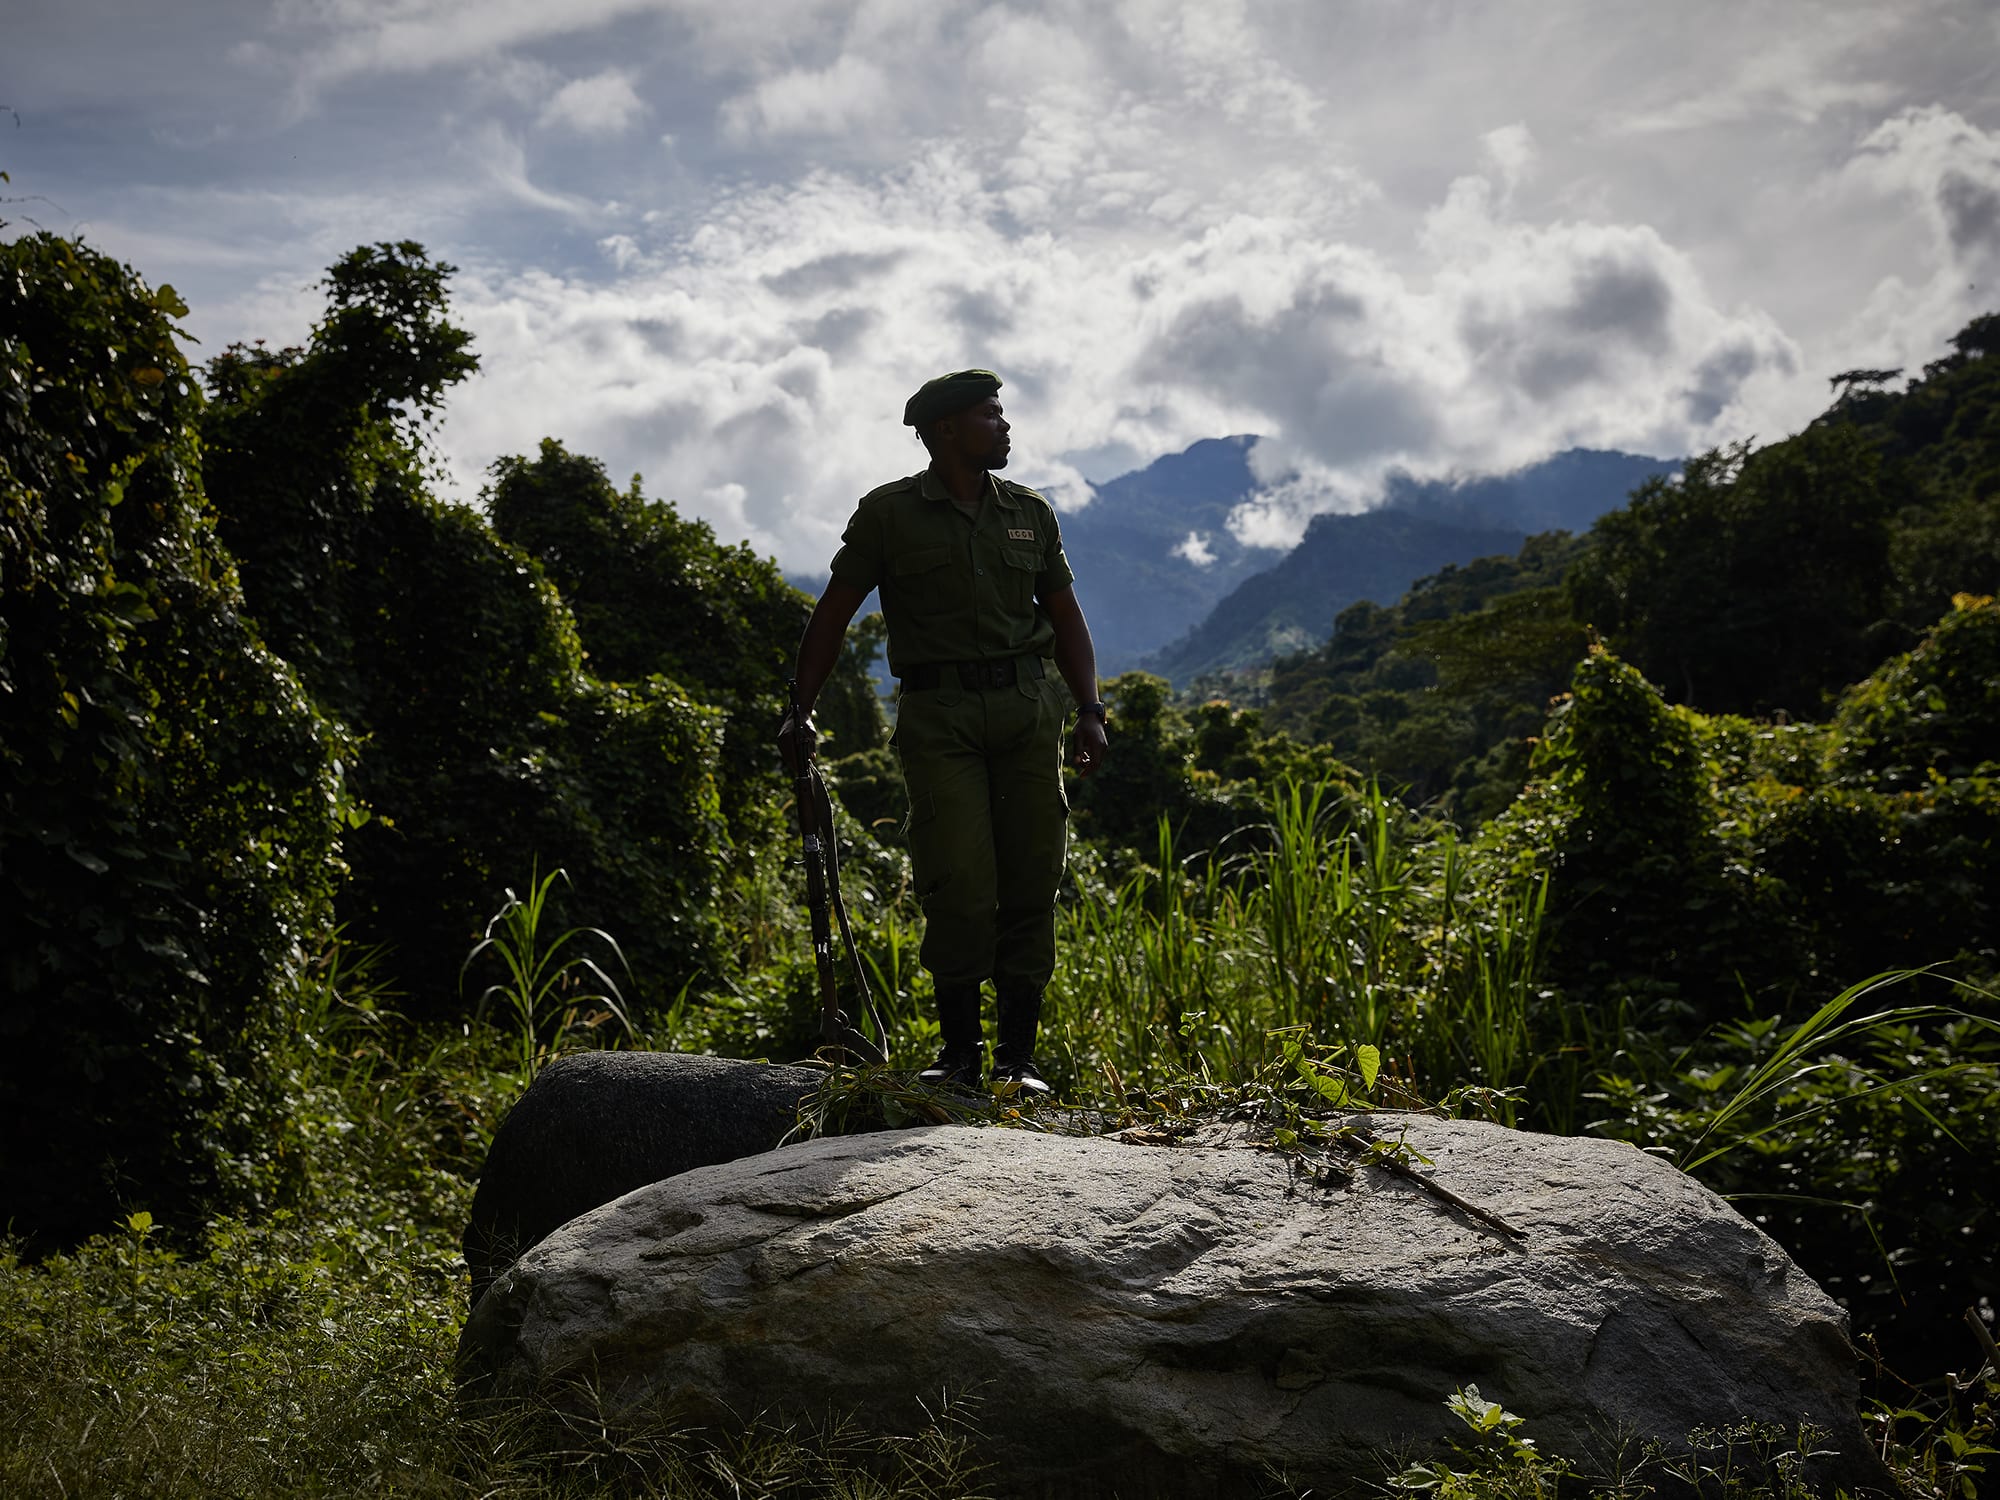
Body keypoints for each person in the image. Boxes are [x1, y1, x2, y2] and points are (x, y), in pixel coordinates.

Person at [779, 369, 1109, 1094]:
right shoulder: (888, 515)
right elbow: (834, 612)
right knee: (956, 881)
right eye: (990, 415)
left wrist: (1090, 709)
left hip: (1028, 713)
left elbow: (1066, 618)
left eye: (1002, 413)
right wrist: (799, 708)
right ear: (946, 430)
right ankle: (959, 1054)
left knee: (1031, 879)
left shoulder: (1030, 512)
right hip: (939, 717)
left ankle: (1018, 1061)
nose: (1005, 425)